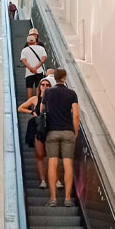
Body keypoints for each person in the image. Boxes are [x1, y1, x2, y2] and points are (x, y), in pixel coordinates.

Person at [44, 69, 79, 207]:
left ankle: (53, 199)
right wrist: (75, 132)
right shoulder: (72, 94)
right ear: (64, 78)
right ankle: (67, 199)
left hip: (52, 131)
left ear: (55, 78)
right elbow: (76, 115)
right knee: (68, 164)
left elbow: (42, 110)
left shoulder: (48, 92)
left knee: (52, 163)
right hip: (67, 131)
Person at [18, 74, 53, 188]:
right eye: (43, 85)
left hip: (50, 128)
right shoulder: (35, 99)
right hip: (38, 128)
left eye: (47, 85)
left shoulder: (53, 99)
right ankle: (43, 180)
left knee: (52, 155)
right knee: (40, 155)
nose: (45, 87)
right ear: (40, 87)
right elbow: (20, 108)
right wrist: (31, 112)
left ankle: (55, 179)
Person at [20, 32, 47, 99]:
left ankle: (29, 103)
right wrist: (36, 67)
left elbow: (23, 60)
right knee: (38, 88)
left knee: (29, 88)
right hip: (39, 71)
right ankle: (37, 102)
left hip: (29, 72)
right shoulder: (41, 48)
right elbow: (44, 58)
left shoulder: (24, 50)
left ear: (28, 42)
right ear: (35, 41)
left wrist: (31, 68)